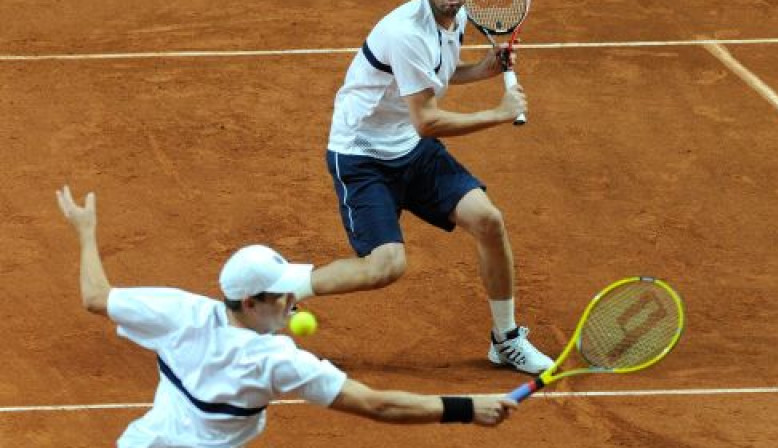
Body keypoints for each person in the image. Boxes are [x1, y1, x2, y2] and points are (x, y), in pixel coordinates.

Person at [56, 186, 517, 448]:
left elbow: (96, 297)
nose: (294, 302)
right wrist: (467, 409)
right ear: (252, 303)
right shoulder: (276, 361)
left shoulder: (182, 311)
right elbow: (378, 405)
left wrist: (86, 232)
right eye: (283, 296)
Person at [290, 0, 554, 374]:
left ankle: (506, 339)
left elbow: (436, 76)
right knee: (385, 266)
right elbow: (427, 121)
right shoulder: (406, 32)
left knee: (488, 220)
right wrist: (499, 113)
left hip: (410, 148)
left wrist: (484, 69)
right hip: (363, 156)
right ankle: (282, 286)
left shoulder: (456, 17)